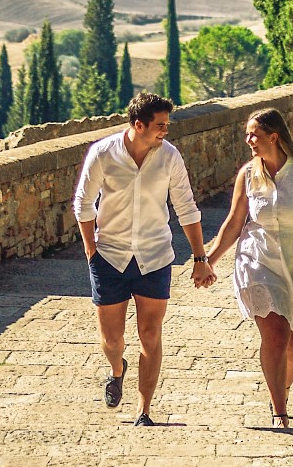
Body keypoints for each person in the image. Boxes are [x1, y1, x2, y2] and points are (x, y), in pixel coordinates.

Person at [73, 91, 216, 426]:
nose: (165, 131)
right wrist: (90, 249)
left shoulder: (170, 157)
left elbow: (186, 208)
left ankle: (144, 409)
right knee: (112, 339)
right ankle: (116, 369)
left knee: (150, 334)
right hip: (109, 255)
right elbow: (83, 203)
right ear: (139, 125)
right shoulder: (103, 154)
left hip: (154, 256)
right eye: (160, 125)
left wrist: (200, 257)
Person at [206, 107, 293, 428]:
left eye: (254, 135)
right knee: (275, 334)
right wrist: (208, 261)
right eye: (247, 134)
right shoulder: (248, 174)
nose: (248, 140)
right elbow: (234, 223)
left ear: (274, 137)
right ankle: (279, 410)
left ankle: (283, 389)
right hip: (256, 259)